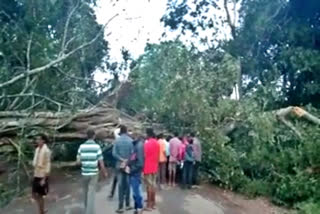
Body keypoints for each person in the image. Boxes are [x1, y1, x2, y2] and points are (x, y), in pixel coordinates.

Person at [77, 129, 107, 214]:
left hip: (84, 173)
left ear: (87, 136)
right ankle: (89, 212)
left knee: (85, 192)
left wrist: (84, 161)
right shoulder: (97, 147)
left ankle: (87, 209)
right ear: (94, 136)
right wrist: (104, 172)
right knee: (91, 194)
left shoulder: (81, 146)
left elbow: (78, 161)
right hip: (94, 173)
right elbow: (101, 161)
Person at [112, 125, 134, 213]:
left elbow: (114, 153)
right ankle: (128, 205)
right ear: (127, 131)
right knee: (128, 185)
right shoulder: (131, 141)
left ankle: (120, 207)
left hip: (119, 165)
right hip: (128, 166)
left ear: (121, 132)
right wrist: (127, 160)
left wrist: (121, 159)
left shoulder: (117, 141)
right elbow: (133, 154)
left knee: (120, 185)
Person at [32, 134, 51, 214]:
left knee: (40, 195)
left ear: (43, 140)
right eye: (37, 139)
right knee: (34, 194)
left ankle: (41, 211)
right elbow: (35, 162)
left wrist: (44, 178)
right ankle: (41, 210)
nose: (37, 141)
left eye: (39, 139)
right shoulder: (37, 149)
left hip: (42, 175)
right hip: (36, 174)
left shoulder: (46, 151)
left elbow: (48, 164)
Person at [143, 128, 160, 210]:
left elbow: (144, 156)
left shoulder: (147, 144)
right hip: (155, 166)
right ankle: (153, 203)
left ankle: (149, 205)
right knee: (153, 185)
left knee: (149, 186)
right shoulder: (157, 143)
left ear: (148, 134)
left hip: (148, 167)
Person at [128, 136, 145, 214]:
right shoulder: (136, 145)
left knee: (136, 191)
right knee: (135, 190)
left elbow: (140, 163)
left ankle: (139, 207)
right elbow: (133, 158)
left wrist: (131, 169)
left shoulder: (139, 146)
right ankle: (137, 207)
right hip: (134, 171)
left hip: (135, 172)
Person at [108, 127, 121, 199]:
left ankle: (112, 193)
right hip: (123, 162)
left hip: (117, 163)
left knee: (116, 179)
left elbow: (113, 154)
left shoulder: (116, 141)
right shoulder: (124, 139)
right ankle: (124, 194)